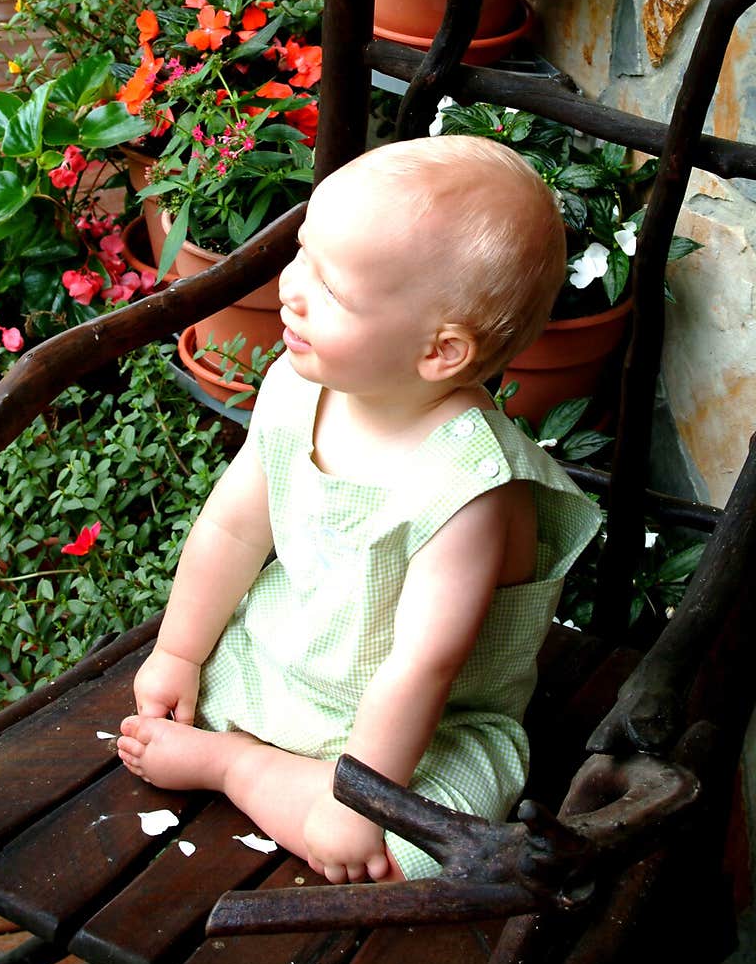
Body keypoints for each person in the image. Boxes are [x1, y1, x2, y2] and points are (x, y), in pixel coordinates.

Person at [117, 135, 601, 884]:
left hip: (425, 729)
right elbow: (233, 525)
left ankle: (238, 768)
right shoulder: (299, 383)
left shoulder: (470, 487)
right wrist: (179, 652)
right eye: (303, 252)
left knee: (417, 852)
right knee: (178, 705)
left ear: (439, 352)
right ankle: (280, 773)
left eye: (333, 289)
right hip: (288, 660)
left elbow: (422, 667)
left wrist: (359, 802)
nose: (291, 287)